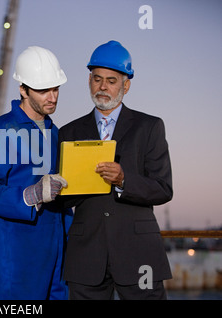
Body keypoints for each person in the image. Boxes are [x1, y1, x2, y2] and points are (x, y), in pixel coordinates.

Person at [58, 40, 173, 300]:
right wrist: (58, 187)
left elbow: (163, 189)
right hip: (86, 256)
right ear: (89, 81)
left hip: (139, 254)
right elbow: (61, 201)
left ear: (126, 85)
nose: (103, 87)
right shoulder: (69, 133)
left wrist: (123, 180)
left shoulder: (150, 127)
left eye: (111, 80)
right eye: (97, 79)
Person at [0, 46, 72, 300]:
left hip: (58, 248)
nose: (52, 97)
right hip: (19, 252)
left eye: (56, 88)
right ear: (23, 89)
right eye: (43, 90)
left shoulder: (57, 134)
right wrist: (31, 195)